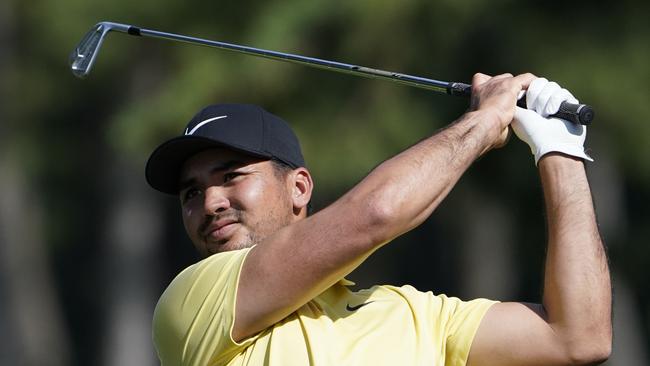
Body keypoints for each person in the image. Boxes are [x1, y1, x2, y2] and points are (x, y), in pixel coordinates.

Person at [146, 73, 612, 365]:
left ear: (300, 188)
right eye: (192, 192)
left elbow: (577, 337)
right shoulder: (192, 301)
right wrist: (484, 123)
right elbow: (377, 214)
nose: (210, 203)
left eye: (231, 176)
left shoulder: (409, 314)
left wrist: (560, 153)